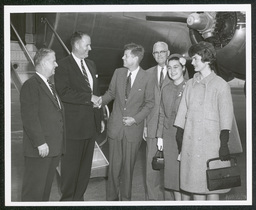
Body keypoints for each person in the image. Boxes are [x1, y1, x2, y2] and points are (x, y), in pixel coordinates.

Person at [174, 41, 234, 200]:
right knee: (195, 188)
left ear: (207, 60)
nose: (191, 62)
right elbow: (182, 112)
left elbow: (226, 117)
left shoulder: (221, 85)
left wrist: (224, 144)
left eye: (195, 59)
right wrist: (179, 136)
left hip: (212, 146)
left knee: (213, 187)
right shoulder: (190, 84)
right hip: (191, 145)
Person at [97, 43, 155, 201]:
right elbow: (111, 93)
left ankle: (126, 201)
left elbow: (149, 103)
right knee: (113, 169)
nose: (123, 57)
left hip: (132, 131)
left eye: (126, 55)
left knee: (128, 170)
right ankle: (111, 201)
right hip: (115, 129)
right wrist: (100, 101)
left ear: (135, 58)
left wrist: (135, 119)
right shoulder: (118, 72)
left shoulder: (148, 77)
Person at [54, 31, 104, 201]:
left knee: (84, 168)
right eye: (87, 45)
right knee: (70, 168)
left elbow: (95, 92)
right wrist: (89, 98)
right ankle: (68, 200)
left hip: (90, 126)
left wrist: (99, 117)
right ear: (76, 45)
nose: (90, 48)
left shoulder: (91, 64)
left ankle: (79, 199)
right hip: (74, 127)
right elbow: (64, 92)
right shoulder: (62, 65)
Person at [20, 48, 65, 201]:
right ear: (45, 63)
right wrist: (40, 143)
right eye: (54, 61)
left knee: (44, 192)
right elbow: (29, 117)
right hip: (40, 150)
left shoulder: (49, 85)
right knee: (33, 192)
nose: (56, 64)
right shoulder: (31, 85)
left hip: (52, 148)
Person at [156, 54, 190, 201]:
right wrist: (160, 136)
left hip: (185, 136)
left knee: (186, 176)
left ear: (183, 68)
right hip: (169, 137)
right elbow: (162, 113)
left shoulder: (190, 87)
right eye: (169, 68)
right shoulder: (166, 88)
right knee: (172, 177)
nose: (172, 71)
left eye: (176, 67)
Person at [144, 41, 170, 200]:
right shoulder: (147, 74)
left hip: (170, 127)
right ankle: (152, 200)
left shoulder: (178, 70)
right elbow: (143, 102)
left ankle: (171, 201)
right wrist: (145, 125)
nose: (159, 55)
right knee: (151, 167)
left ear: (168, 52)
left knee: (171, 168)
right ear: (153, 55)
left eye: (162, 51)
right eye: (156, 52)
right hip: (152, 126)